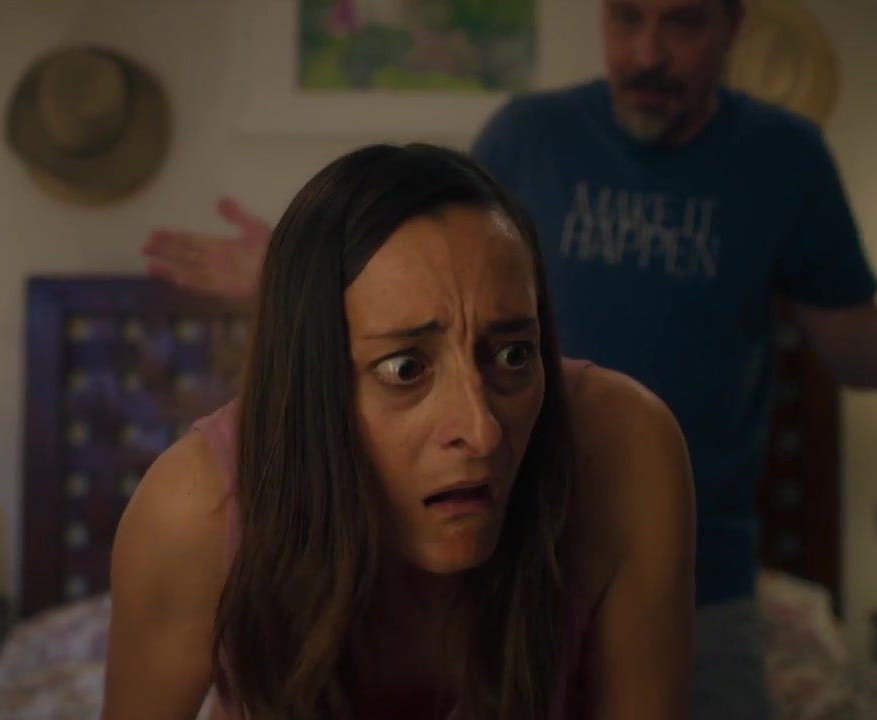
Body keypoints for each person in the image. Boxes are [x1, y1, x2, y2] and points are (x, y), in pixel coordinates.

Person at [143, 1, 877, 716]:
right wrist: (308, 283)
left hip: (709, 571)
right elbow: (436, 272)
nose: (648, 52)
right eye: (626, 19)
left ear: (734, 26)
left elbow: (849, 338)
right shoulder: (530, 136)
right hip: (509, 554)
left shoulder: (785, 162)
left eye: (682, 22)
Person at [106, 143, 696, 719]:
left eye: (514, 354)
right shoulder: (196, 514)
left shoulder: (623, 450)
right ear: (313, 386)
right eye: (405, 369)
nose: (482, 431)